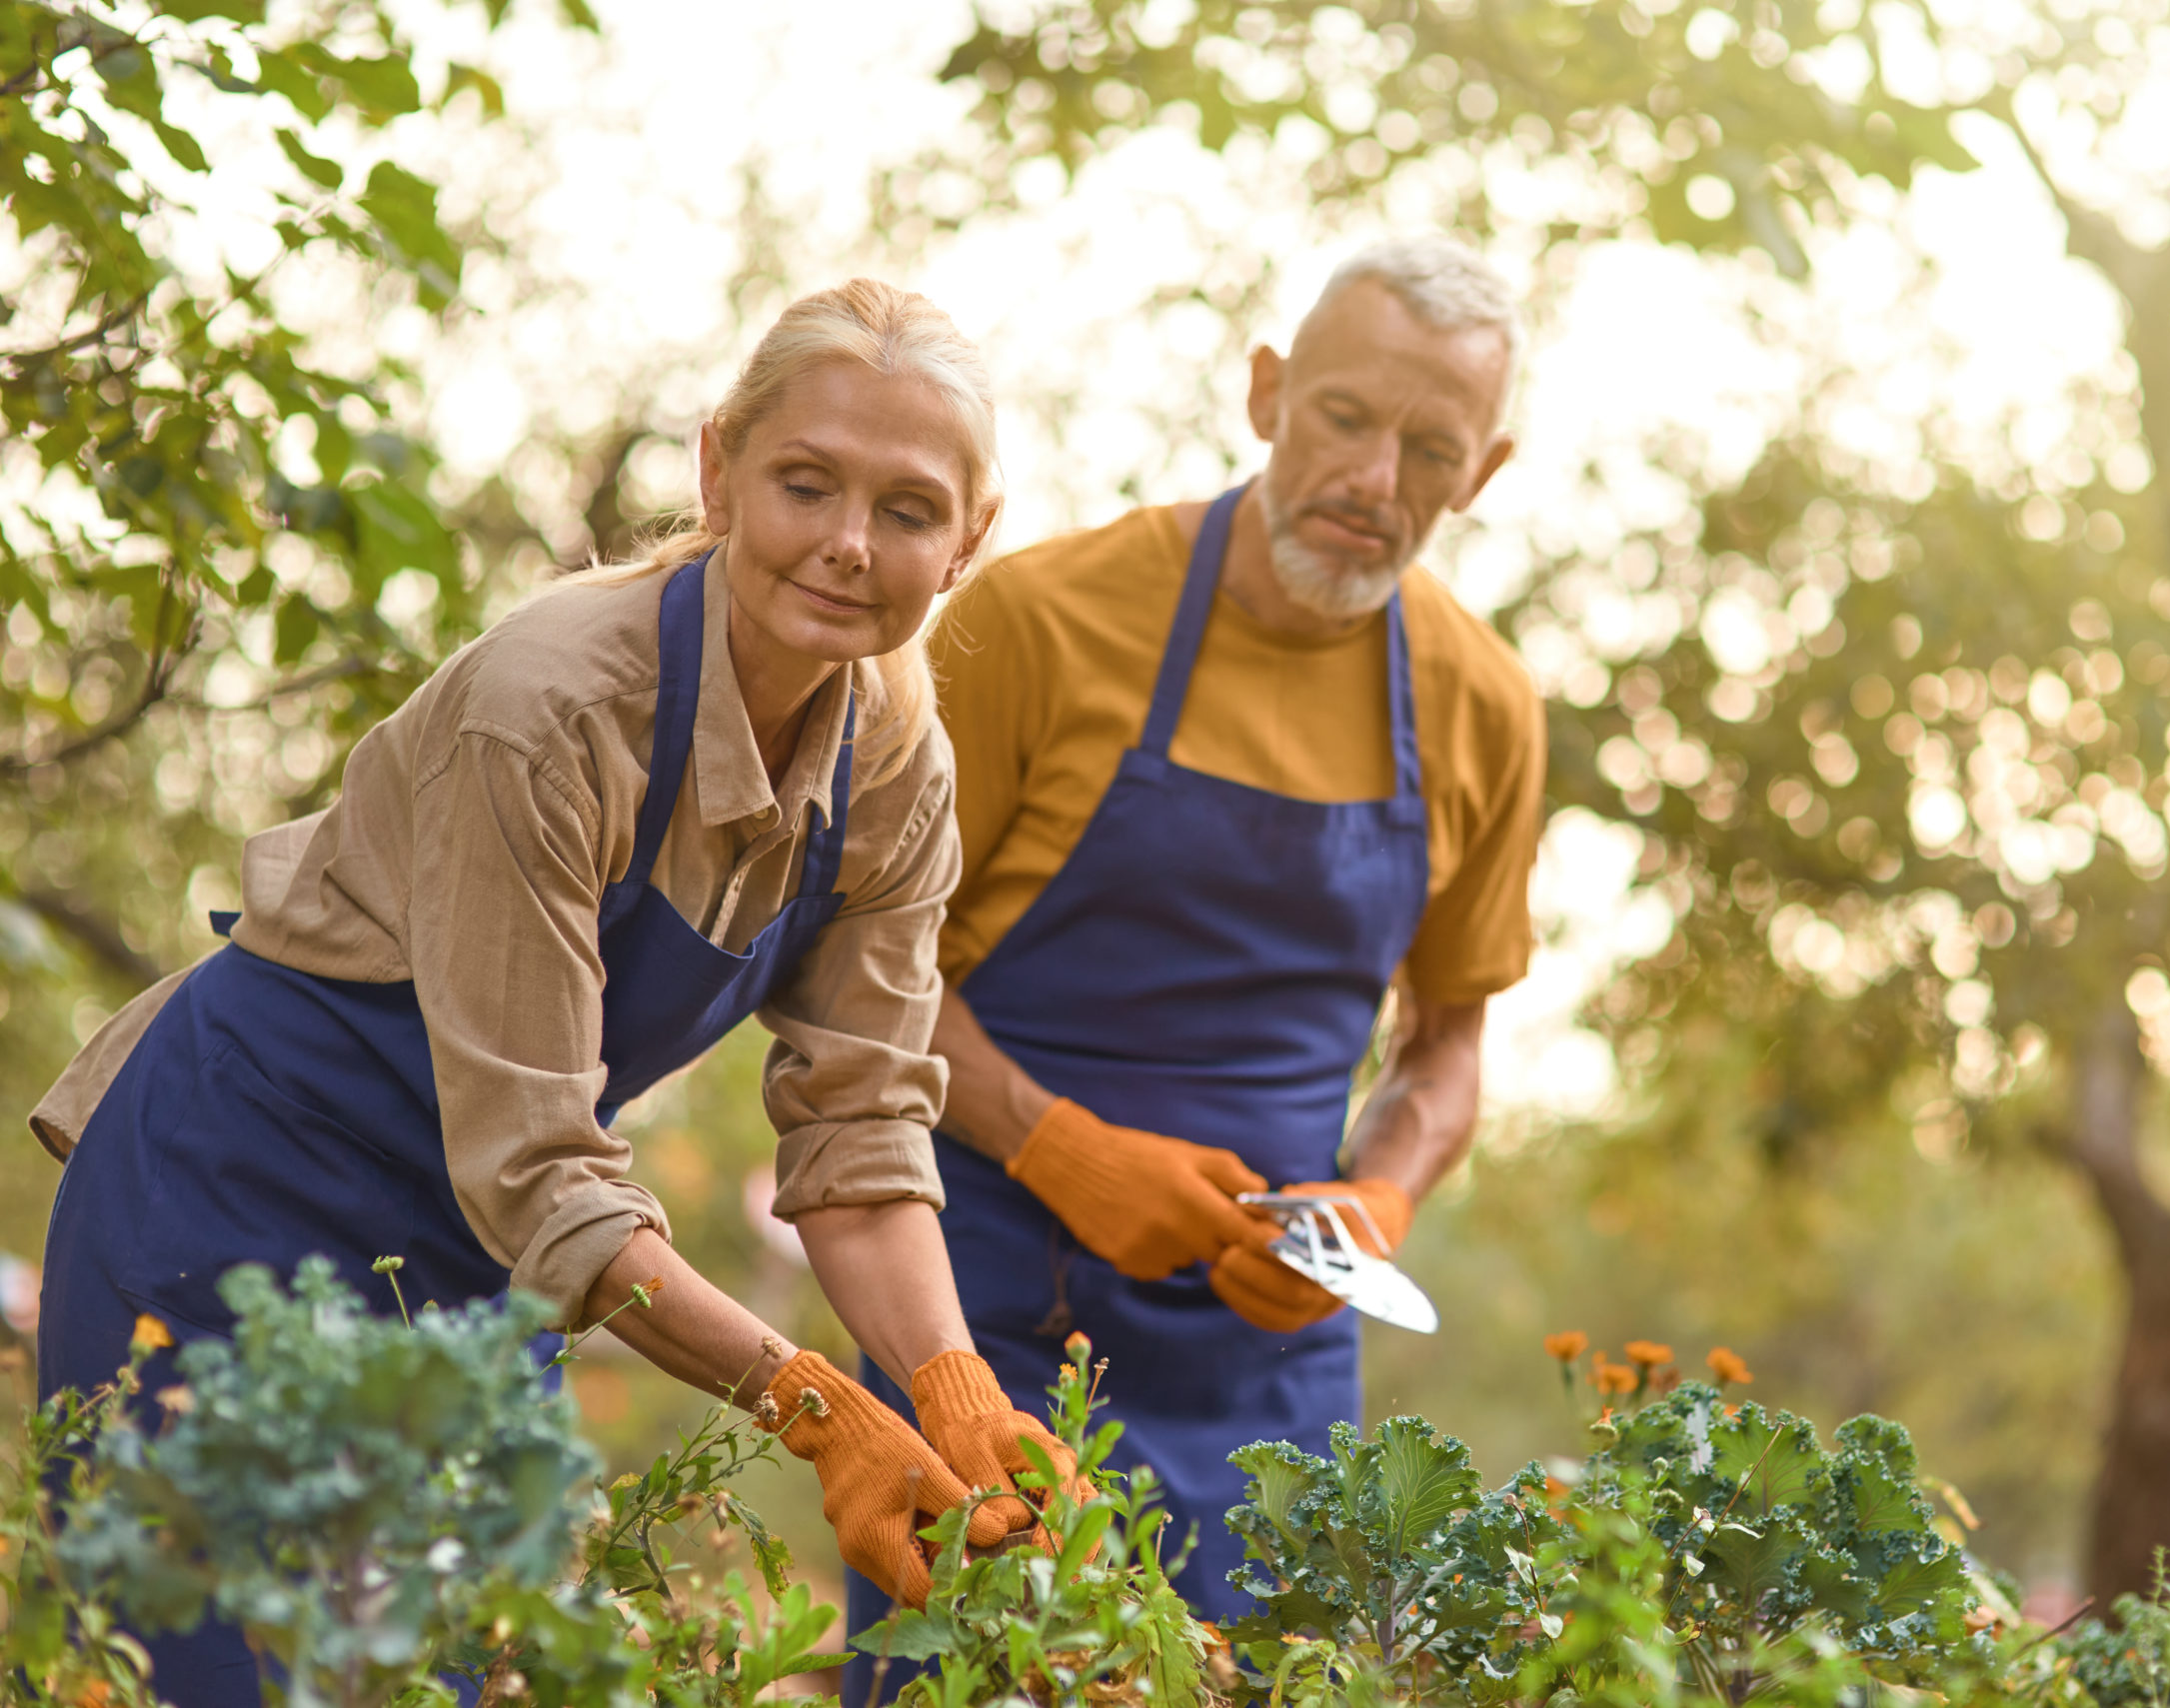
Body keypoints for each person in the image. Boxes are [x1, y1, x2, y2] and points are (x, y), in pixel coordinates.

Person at [31, 279, 1077, 1705]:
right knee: (214, 1671)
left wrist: (951, 1386)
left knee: (463, 1676)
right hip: (233, 1199)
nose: (847, 544)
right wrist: (817, 1408)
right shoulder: (553, 705)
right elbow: (541, 1173)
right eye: (805, 483)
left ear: (970, 541)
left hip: (471, 1259)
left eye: (905, 509)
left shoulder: (894, 759)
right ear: (718, 470)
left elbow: (861, 1138)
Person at [846, 234, 1546, 1636]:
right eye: (1346, 417)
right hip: (993, 1319)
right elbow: (860, 976)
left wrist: (1387, 1195)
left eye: (1430, 447)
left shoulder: (1484, 704)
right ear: (1269, 392)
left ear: (1484, 471)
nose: (1373, 480)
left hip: (1273, 1372)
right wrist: (1058, 1143)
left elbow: (1448, 1045)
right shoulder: (1038, 622)